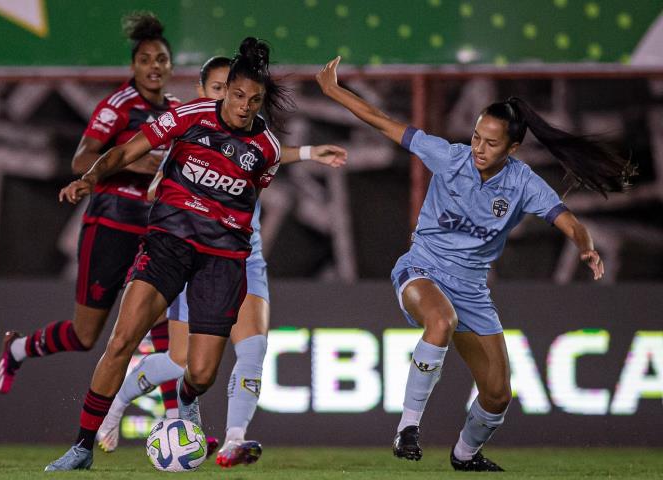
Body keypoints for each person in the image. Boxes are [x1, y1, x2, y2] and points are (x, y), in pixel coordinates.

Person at [316, 56, 631, 472]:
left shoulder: (522, 182)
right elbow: (380, 120)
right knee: (439, 321)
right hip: (421, 269)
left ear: (513, 148)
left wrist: (586, 247)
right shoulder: (448, 156)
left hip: (471, 290)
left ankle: (465, 455)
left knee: (498, 395)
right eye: (477, 137)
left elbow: (567, 219)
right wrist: (333, 90)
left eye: (491, 143)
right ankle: (408, 427)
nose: (479, 148)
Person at [46, 37, 293, 471]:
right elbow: (125, 151)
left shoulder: (267, 150)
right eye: (236, 95)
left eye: (253, 100)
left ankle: (184, 400)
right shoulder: (187, 116)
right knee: (121, 340)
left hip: (221, 261)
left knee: (200, 373)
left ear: (261, 102)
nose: (243, 106)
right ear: (225, 90)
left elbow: (246, 201)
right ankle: (82, 446)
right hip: (167, 246)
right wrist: (90, 177)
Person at [94, 56, 347, 468]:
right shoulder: (187, 136)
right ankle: (118, 404)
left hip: (243, 258)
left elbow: (265, 157)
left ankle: (234, 439)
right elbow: (158, 177)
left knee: (254, 348)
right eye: (221, 91)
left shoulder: (257, 141)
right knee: (182, 363)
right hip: (190, 256)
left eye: (249, 98)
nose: (238, 104)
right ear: (209, 94)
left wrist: (309, 152)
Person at [0, 12, 181, 416]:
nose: (154, 67)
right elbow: (81, 160)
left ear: (170, 66)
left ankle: (177, 421)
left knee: (161, 323)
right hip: (110, 224)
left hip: (153, 231)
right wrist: (131, 163)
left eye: (161, 59)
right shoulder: (117, 106)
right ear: (133, 66)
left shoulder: (176, 112)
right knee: (85, 334)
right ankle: (20, 348)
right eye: (146, 59)